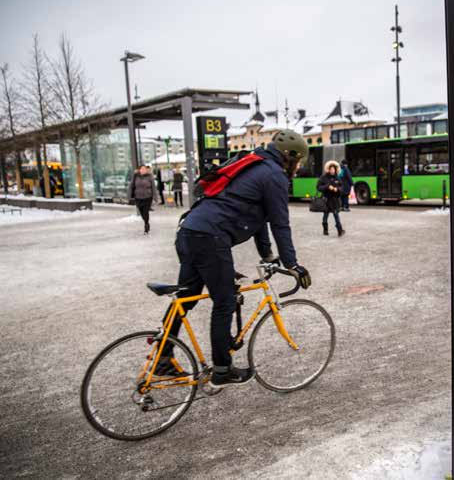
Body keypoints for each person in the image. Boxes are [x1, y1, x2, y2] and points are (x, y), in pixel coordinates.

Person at [156, 129, 312, 387]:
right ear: (290, 157)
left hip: (189, 231)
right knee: (225, 302)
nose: (297, 167)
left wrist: (268, 254)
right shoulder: (274, 175)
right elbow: (280, 223)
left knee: (185, 298)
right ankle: (222, 369)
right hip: (210, 238)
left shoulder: (254, 164)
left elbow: (259, 218)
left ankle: (162, 358)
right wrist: (291, 264)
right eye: (298, 162)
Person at [317, 160, 345, 237]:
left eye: (334, 169)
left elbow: (342, 188)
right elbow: (318, 188)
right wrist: (327, 186)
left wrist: (337, 189)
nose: (332, 170)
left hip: (335, 200)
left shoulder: (337, 178)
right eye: (331, 169)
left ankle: (340, 230)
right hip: (326, 199)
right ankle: (325, 230)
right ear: (328, 169)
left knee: (336, 215)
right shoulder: (323, 178)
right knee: (325, 215)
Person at [128, 165, 158, 234]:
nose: (143, 170)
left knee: (145, 212)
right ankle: (146, 221)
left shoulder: (150, 176)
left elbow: (153, 187)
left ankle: (146, 225)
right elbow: (131, 186)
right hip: (138, 197)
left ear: (146, 170)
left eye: (144, 169)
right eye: (142, 169)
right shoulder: (135, 176)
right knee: (141, 212)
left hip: (148, 197)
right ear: (139, 170)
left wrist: (155, 198)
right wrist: (129, 196)